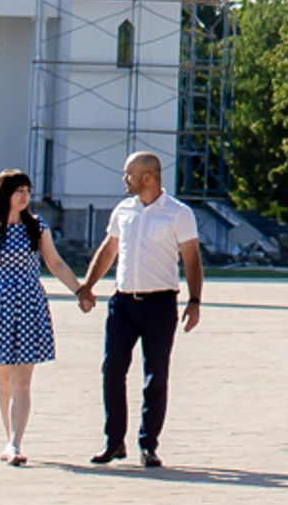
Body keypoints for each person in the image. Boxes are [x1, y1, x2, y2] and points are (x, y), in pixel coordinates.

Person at [74, 148, 202, 468]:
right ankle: (114, 441)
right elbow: (109, 250)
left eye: (129, 174)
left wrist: (195, 301)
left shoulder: (178, 213)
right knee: (112, 371)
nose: (124, 179)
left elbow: (191, 259)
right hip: (122, 304)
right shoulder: (123, 210)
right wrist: (88, 286)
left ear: (147, 177)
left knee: (155, 376)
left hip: (160, 305)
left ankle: (148, 444)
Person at [0, 170, 80, 465]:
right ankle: (8, 439)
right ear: (5, 195)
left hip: (29, 304)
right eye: (18, 191)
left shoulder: (37, 227)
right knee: (4, 381)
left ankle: (16, 443)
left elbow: (55, 263)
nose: (24, 196)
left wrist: (80, 291)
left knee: (23, 380)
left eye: (27, 190)